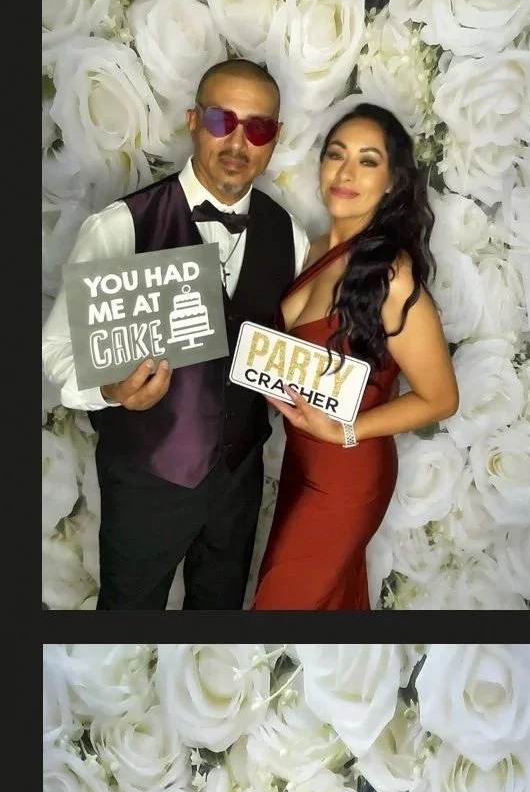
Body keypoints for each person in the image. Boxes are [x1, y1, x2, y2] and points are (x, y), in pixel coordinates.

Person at [41, 59, 309, 610]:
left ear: (274, 139)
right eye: (220, 120)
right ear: (193, 121)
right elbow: (57, 351)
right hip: (147, 480)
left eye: (257, 128)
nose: (237, 141)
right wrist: (112, 390)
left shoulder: (292, 236)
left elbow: (294, 351)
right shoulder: (120, 226)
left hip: (239, 479)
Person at [250, 104, 459, 610]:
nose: (345, 173)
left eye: (368, 161)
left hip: (347, 475)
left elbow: (441, 398)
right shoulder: (315, 246)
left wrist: (342, 430)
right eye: (336, 155)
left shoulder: (391, 274)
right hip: (300, 462)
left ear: (392, 182)